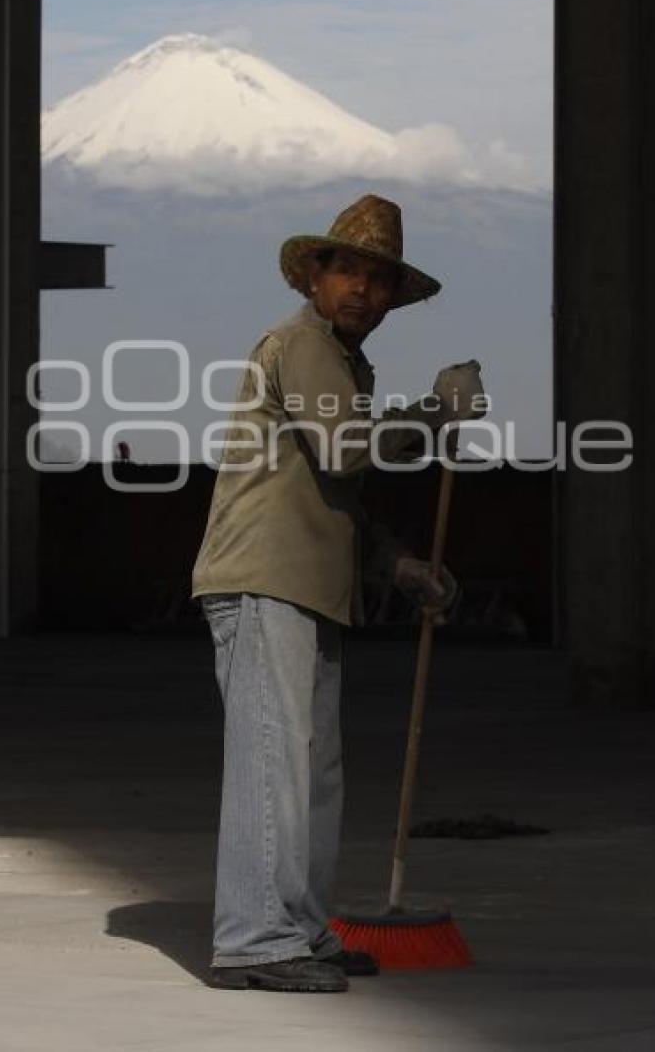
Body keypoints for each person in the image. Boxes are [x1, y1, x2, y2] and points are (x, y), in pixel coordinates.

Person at [191, 193, 485, 993]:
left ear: (393, 296)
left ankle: (299, 928)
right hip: (263, 578)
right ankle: (254, 938)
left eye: (379, 278)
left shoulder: (346, 361)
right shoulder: (304, 344)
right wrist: (434, 411)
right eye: (345, 269)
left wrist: (398, 567)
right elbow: (347, 447)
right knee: (274, 759)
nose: (362, 289)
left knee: (312, 766)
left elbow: (337, 492)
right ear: (313, 277)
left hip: (309, 585)